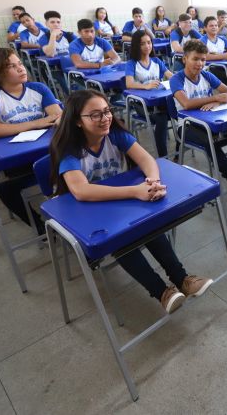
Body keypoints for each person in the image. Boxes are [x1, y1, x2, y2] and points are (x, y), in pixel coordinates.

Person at [49, 89, 213, 313]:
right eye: (95, 115)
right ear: (78, 121)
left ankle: (182, 278)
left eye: (106, 111)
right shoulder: (70, 150)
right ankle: (162, 292)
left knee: (150, 229)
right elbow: (81, 191)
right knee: (122, 240)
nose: (105, 118)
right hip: (92, 212)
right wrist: (135, 192)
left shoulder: (114, 134)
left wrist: (152, 182)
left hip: (122, 201)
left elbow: (147, 159)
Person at [0, 48, 62, 234]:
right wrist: (37, 123)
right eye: (11, 66)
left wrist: (13, 128)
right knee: (4, 188)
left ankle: (65, 213)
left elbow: (56, 116)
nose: (21, 69)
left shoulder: (38, 88)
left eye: (20, 63)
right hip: (18, 159)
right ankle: (41, 227)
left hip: (50, 151)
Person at [169, 39, 227, 187]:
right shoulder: (176, 79)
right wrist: (215, 97)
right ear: (184, 59)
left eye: (203, 59)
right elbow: (187, 104)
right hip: (187, 126)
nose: (200, 63)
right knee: (209, 138)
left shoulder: (206, 75)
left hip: (209, 121)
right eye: (195, 59)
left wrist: (218, 102)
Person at [124, 30, 173, 158]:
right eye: (142, 44)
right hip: (142, 105)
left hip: (159, 101)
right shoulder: (132, 63)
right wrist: (145, 86)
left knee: (176, 111)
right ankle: (163, 157)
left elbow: (170, 76)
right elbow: (129, 83)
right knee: (162, 118)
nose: (147, 46)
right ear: (136, 46)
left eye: (149, 42)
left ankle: (181, 144)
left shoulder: (156, 61)